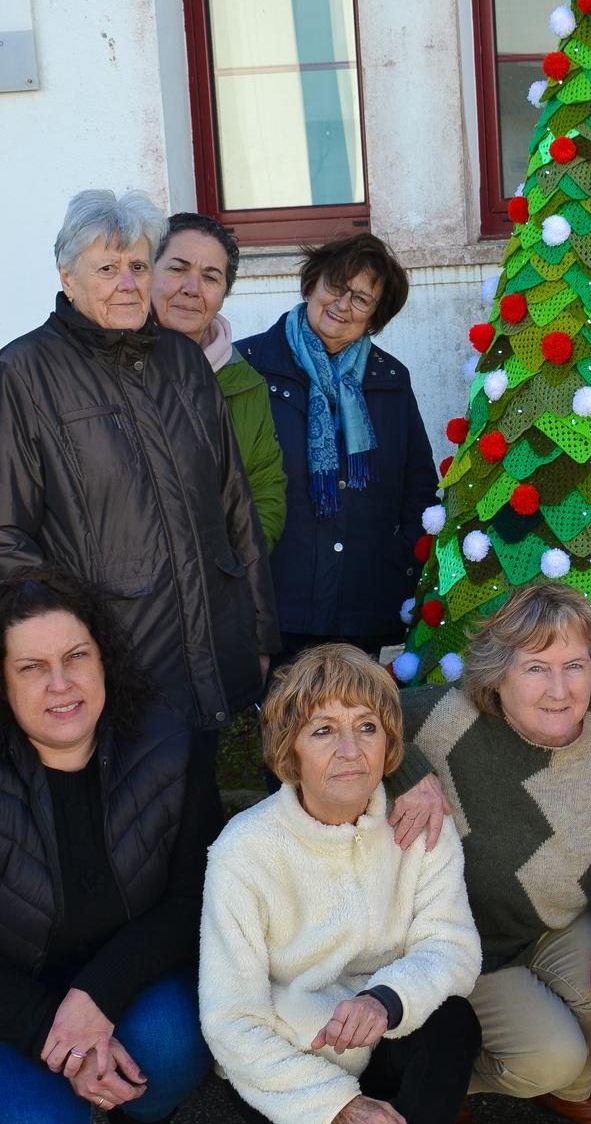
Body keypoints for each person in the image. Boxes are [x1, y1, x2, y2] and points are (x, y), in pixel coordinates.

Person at [199, 644, 483, 1124]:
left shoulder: (418, 824)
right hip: (294, 1052)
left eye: (366, 726)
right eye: (322, 729)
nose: (349, 749)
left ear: (389, 742)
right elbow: (230, 1019)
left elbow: (452, 947)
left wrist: (384, 999)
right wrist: (335, 1107)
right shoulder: (244, 850)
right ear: (288, 749)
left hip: (386, 1029)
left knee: (454, 1020)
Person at [0, 189, 277, 734]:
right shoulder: (22, 375)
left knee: (197, 806)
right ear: (67, 276)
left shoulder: (183, 362)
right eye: (107, 267)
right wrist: (79, 643)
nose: (128, 283)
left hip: (207, 650)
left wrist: (259, 634)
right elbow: (7, 537)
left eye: (137, 266)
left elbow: (234, 506)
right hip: (109, 665)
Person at [388, 584, 591, 1124]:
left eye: (574, 666)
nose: (559, 690)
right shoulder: (439, 717)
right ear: (496, 675)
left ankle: (572, 1091)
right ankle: (448, 1086)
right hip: (452, 946)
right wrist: (412, 776)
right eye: (536, 668)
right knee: (549, 1055)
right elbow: (342, 713)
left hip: (543, 930)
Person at [0, 569, 221, 1124]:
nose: (61, 684)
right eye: (32, 668)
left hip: (132, 978)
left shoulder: (170, 742)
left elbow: (195, 901)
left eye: (75, 657)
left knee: (176, 1039)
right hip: (13, 995)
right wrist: (53, 1031)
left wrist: (99, 996)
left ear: (104, 658)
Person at [238, 233, 437, 661]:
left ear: (375, 317)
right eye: (335, 286)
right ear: (311, 284)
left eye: (361, 299)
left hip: (361, 603)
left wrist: (399, 557)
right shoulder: (248, 367)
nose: (342, 305)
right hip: (272, 601)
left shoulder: (390, 380)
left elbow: (418, 485)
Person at [152, 213, 286, 551]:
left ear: (224, 294)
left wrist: (232, 572)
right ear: (147, 272)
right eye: (177, 269)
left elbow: (265, 492)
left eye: (210, 277)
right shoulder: (104, 368)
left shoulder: (246, 384)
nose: (192, 289)